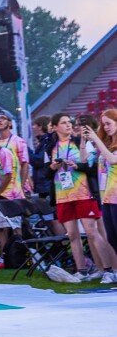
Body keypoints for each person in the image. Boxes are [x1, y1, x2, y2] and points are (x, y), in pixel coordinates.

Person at [47, 113, 117, 281]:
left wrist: (77, 165)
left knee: (94, 232)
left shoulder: (80, 141)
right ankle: (85, 270)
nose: (69, 125)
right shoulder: (51, 146)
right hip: (65, 194)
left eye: (69, 122)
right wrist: (53, 167)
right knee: (73, 234)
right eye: (63, 123)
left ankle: (109, 269)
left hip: (86, 193)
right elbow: (45, 172)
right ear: (54, 127)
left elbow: (94, 165)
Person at [84, 109, 117, 282]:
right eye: (103, 124)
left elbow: (112, 159)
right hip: (106, 197)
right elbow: (84, 160)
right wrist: (84, 141)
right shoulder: (105, 144)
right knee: (112, 238)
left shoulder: (106, 146)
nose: (106, 127)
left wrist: (96, 139)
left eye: (109, 123)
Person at [0, 110, 32, 195]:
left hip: (17, 189)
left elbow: (24, 164)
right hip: (1, 189)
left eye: (3, 118)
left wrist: (21, 186)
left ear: (10, 123)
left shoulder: (18, 141)